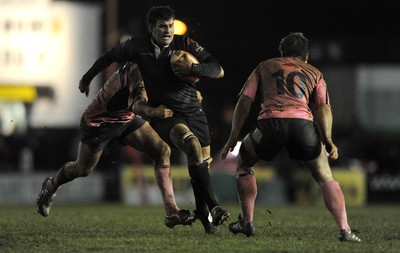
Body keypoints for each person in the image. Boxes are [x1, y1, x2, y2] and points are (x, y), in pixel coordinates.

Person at [78, 6, 229, 234]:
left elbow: (218, 70)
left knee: (200, 166)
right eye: (162, 26)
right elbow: (109, 56)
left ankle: (204, 214)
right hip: (166, 114)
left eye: (170, 25)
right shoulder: (138, 46)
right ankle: (215, 207)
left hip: (194, 112)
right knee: (191, 146)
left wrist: (194, 67)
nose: (168, 30)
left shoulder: (185, 44)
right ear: (151, 28)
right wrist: (87, 78)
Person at [221, 32, 361, 242]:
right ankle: (345, 229)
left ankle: (247, 222)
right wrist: (328, 139)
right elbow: (323, 107)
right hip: (302, 125)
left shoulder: (264, 66)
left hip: (270, 125)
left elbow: (245, 101)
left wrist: (234, 136)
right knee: (325, 176)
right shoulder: (314, 72)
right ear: (306, 57)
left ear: (282, 52)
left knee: (244, 164)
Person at [37, 62, 196, 229]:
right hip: (100, 122)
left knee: (162, 150)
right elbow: (138, 105)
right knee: (83, 169)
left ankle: (171, 211)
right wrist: (157, 112)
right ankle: (51, 185)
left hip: (126, 119)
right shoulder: (140, 71)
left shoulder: (157, 66)